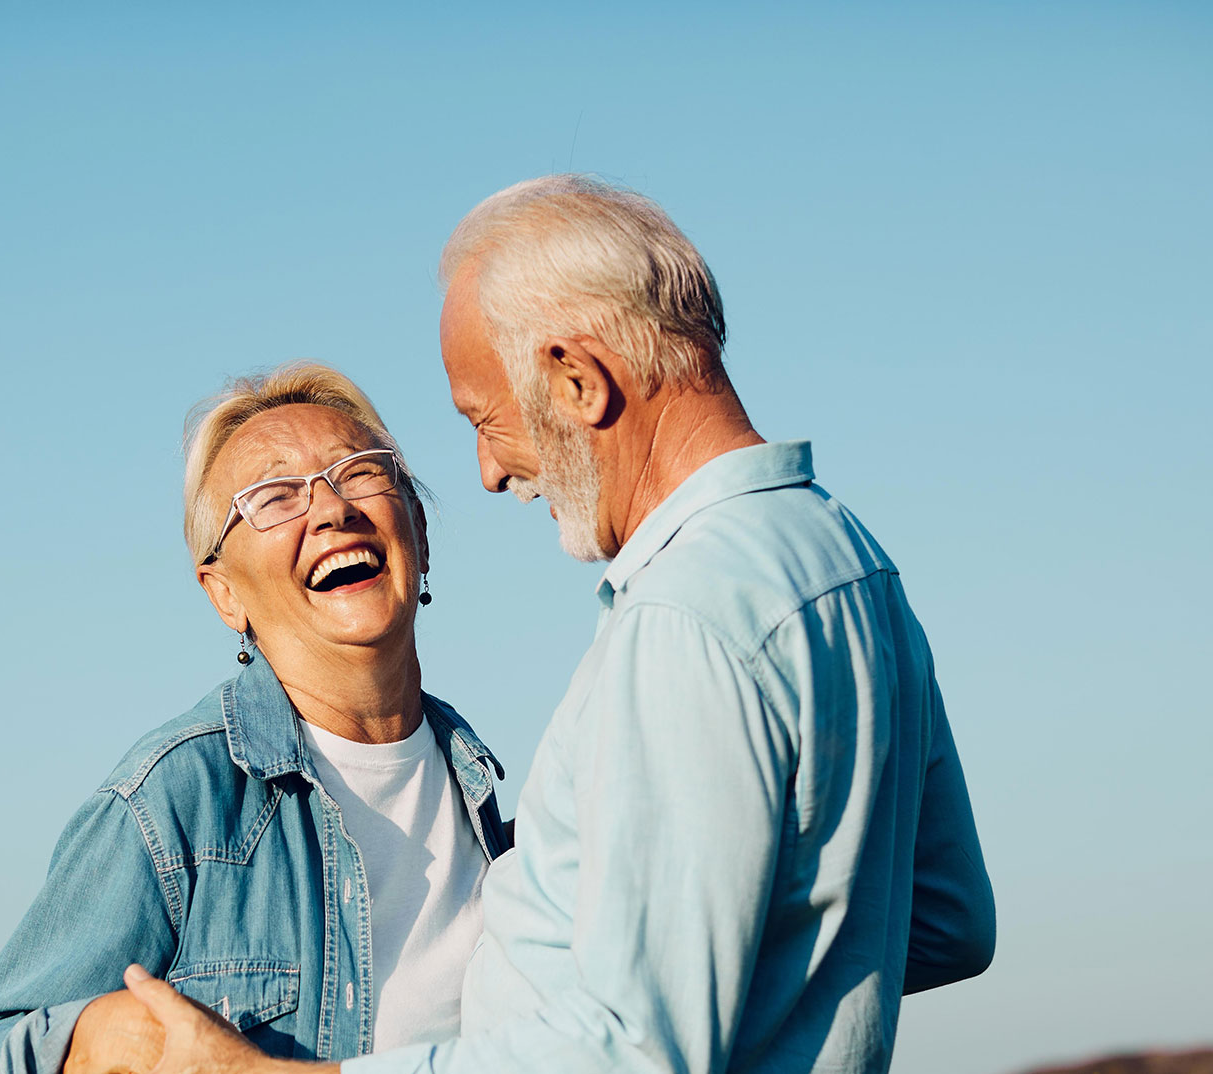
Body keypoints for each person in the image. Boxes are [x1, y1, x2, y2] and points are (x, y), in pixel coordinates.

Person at [115, 176, 997, 1073]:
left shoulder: (681, 620)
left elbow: (633, 1054)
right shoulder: (847, 557)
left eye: (484, 419)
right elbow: (945, 921)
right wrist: (720, 970)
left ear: (577, 380)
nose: (490, 473)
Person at [0, 363, 511, 1074]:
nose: (333, 511)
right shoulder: (172, 801)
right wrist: (94, 1040)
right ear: (224, 594)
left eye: (359, 472)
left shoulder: (493, 807)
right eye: (274, 496)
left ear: (418, 534)